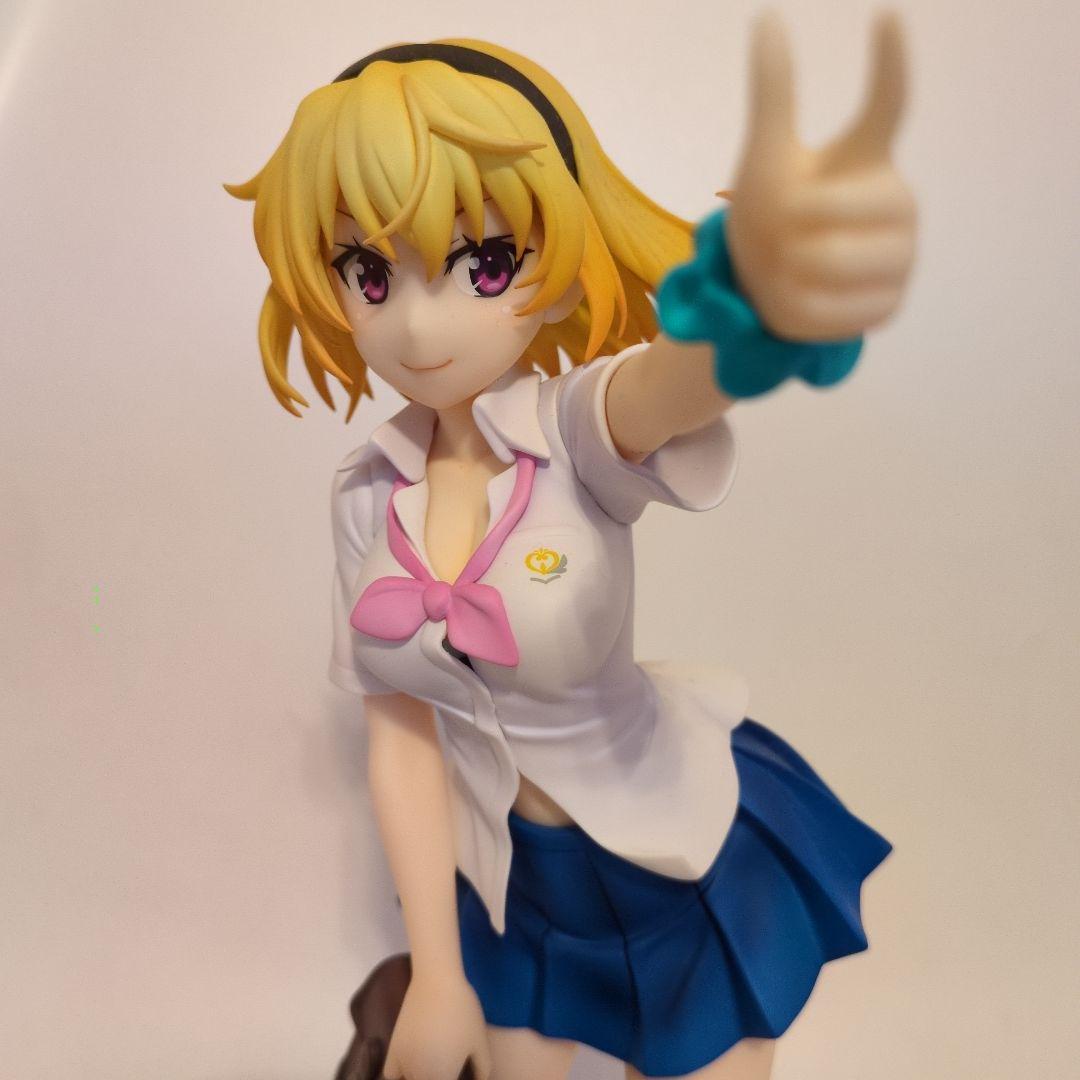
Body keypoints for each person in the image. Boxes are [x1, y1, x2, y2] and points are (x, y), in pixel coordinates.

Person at [224, 17, 915, 1080]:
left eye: (484, 261)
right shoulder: (367, 496)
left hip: (674, 855)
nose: (418, 327)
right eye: (369, 272)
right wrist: (440, 975)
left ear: (557, 251)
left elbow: (664, 388)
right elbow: (401, 743)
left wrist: (749, 312)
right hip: (513, 886)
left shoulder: (573, 432)